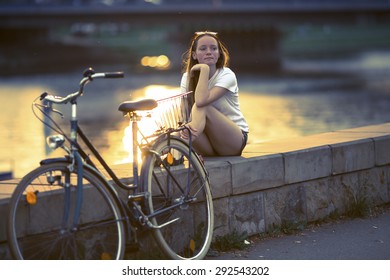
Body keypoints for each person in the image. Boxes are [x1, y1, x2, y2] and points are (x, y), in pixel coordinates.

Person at [180, 31, 249, 156]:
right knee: (183, 127)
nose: (208, 52)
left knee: (202, 106)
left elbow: (201, 101)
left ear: (218, 54)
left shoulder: (226, 75)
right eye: (203, 48)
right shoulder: (187, 77)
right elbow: (184, 112)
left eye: (213, 48)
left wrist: (204, 69)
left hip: (234, 141)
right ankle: (169, 148)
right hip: (209, 143)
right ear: (194, 55)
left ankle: (178, 147)